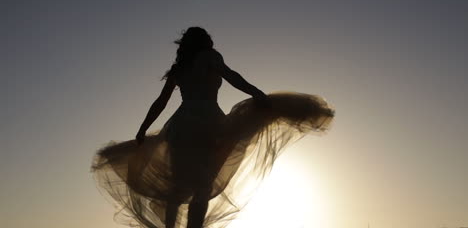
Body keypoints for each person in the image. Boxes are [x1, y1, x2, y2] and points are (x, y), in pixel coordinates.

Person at [91, 27, 334, 228]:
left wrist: (143, 128)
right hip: (208, 121)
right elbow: (230, 75)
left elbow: (161, 102)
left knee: (177, 187)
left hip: (181, 125)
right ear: (205, 42)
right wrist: (255, 92)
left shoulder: (180, 68)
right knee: (203, 185)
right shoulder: (209, 56)